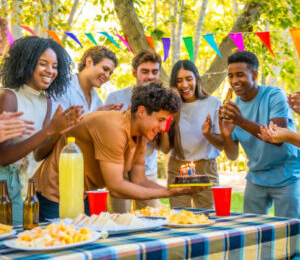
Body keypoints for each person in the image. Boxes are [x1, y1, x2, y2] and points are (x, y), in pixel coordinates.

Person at [34, 83, 206, 221]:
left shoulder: (141, 134)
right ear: (141, 112)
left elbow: (139, 180)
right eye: (160, 120)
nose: (163, 128)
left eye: (166, 121)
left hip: (82, 195)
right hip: (56, 194)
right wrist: (168, 193)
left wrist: (176, 188)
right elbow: (116, 187)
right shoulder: (113, 127)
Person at [0, 36, 83, 225]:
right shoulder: (8, 97)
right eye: (43, 64)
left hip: (26, 185)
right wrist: (49, 130)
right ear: (27, 63)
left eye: (54, 66)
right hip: (4, 184)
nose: (50, 71)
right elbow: (3, 157)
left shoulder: (46, 103)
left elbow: (38, 154)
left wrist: (58, 132)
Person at [219, 50, 300, 218]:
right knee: (253, 234)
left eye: (240, 75)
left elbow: (277, 137)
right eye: (231, 76)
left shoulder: (274, 95)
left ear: (255, 74)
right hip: (256, 177)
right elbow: (232, 155)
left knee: (289, 234)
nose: (234, 81)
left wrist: (241, 121)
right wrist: (226, 134)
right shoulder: (234, 106)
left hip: (286, 175)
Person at [157, 60, 222, 209]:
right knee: (180, 216)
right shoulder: (171, 106)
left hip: (205, 168)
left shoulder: (213, 103)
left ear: (197, 79)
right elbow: (166, 149)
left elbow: (221, 145)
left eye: (188, 79)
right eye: (179, 81)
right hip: (178, 168)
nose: (184, 85)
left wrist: (207, 134)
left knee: (207, 218)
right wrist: (166, 127)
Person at [105, 50, 161, 212]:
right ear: (134, 72)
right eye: (145, 71)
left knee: (151, 221)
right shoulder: (115, 98)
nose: (150, 76)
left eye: (155, 72)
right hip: (119, 172)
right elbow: (108, 138)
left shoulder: (162, 100)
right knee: (119, 221)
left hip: (147, 171)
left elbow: (164, 144)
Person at [52, 46, 122, 116]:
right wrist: (94, 117)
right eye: (105, 69)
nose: (107, 76)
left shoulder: (98, 102)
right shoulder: (62, 88)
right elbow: (54, 125)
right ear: (89, 62)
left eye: (110, 73)